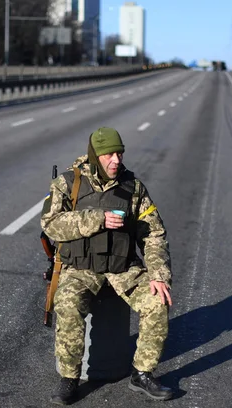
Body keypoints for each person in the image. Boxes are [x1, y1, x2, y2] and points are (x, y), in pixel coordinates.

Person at [41, 127, 173, 405]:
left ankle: (142, 372)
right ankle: (69, 379)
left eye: (119, 153)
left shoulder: (133, 188)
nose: (116, 160)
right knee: (66, 301)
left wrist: (159, 275)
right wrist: (96, 219)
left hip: (123, 267)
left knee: (157, 302)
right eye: (108, 155)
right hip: (81, 267)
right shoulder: (69, 183)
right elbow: (51, 225)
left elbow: (153, 234)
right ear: (94, 156)